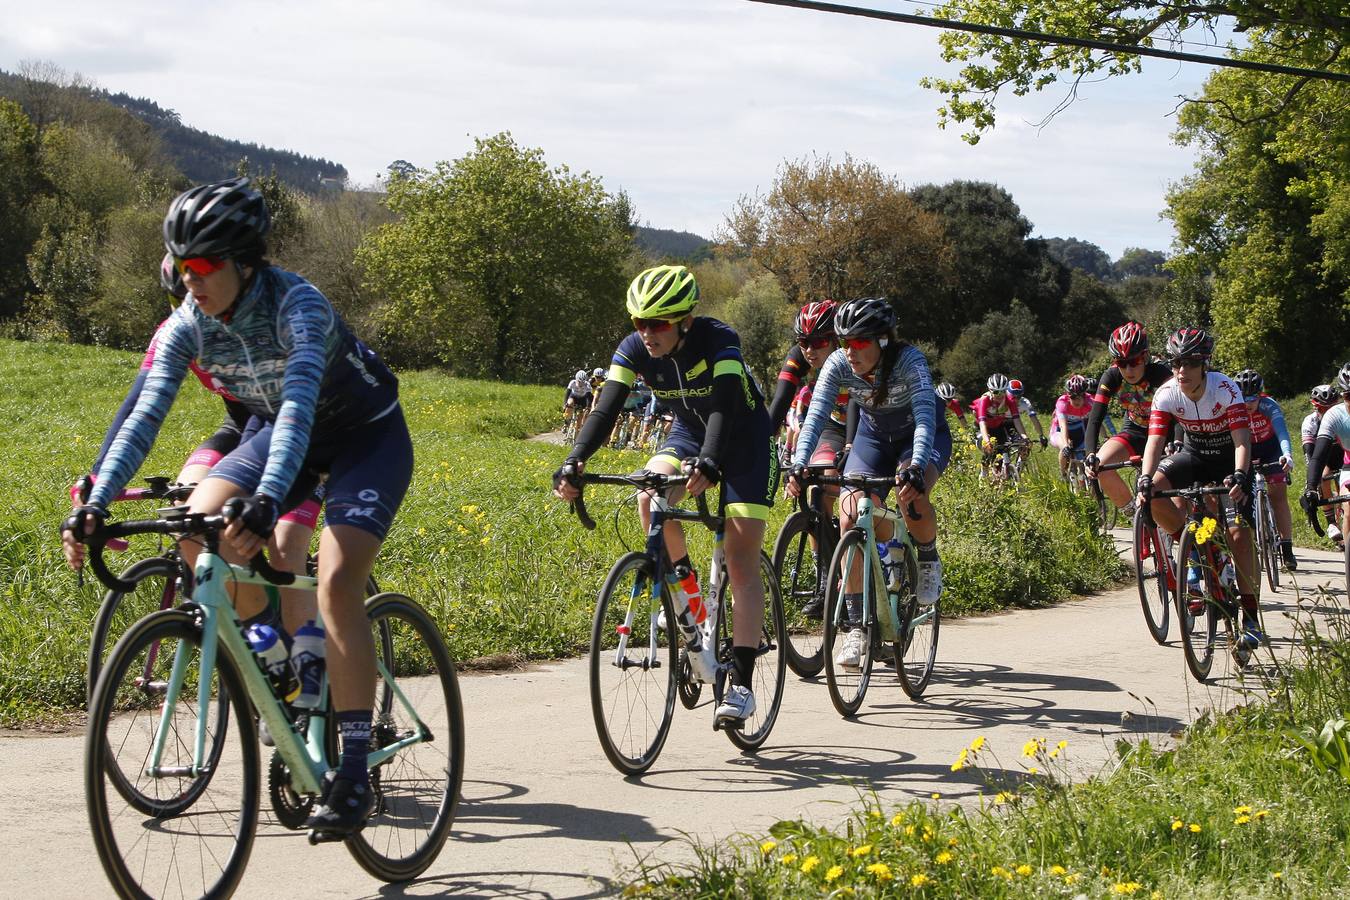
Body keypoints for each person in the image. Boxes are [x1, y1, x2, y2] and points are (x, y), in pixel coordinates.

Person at [62, 177, 411, 837]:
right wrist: (96, 499)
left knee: (336, 580)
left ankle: (356, 766)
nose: (188, 279)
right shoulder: (188, 322)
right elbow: (143, 413)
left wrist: (269, 500)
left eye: (202, 265)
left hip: (363, 438)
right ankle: (277, 657)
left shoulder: (297, 307)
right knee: (195, 520)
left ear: (244, 261)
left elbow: (300, 410)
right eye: (180, 264)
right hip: (280, 435)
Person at [553, 264, 772, 726]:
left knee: (740, 557)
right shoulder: (635, 348)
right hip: (690, 433)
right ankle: (689, 594)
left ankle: (742, 687)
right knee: (649, 492)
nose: (646, 333)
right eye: (639, 322)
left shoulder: (718, 339)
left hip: (743, 440)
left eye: (657, 323)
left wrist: (712, 462)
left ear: (684, 321)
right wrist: (575, 459)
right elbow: (607, 405)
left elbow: (728, 401)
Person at [786, 297, 951, 669]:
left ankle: (926, 558)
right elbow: (813, 419)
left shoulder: (910, 361)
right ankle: (856, 629)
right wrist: (799, 464)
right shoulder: (839, 363)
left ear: (883, 340)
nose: (850, 351)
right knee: (848, 515)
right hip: (874, 437)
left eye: (860, 342)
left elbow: (925, 418)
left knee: (913, 493)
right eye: (844, 342)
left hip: (918, 437)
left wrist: (917, 465)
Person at [1136, 328, 1260, 650]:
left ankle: (1251, 617)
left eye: (1189, 363)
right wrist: (1145, 479)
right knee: (1152, 495)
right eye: (1176, 363)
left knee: (1238, 536)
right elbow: (1155, 441)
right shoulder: (1166, 394)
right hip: (1193, 455)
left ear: (1204, 363)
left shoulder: (1225, 389)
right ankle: (1191, 547)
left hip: (1228, 459)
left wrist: (1240, 476)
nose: (1181, 371)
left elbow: (1242, 441)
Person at [766, 300, 845, 553]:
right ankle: (824, 566)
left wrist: (852, 447)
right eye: (803, 342)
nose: (809, 350)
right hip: (832, 425)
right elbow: (781, 399)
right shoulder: (798, 356)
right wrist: (762, 439)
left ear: (835, 339)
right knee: (816, 484)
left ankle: (871, 544)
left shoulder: (850, 354)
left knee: (851, 489)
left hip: (865, 424)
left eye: (819, 342)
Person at [1086, 321, 1173, 515]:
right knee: (1100, 465)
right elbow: (1095, 418)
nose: (1128, 370)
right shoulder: (1111, 377)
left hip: (1167, 433)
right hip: (1135, 430)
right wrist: (1090, 454)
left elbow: (1181, 413)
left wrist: (1177, 442)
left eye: (1134, 362)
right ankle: (1135, 515)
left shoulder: (1161, 375)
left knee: (1177, 500)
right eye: (1121, 363)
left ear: (1145, 357)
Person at [1233, 369, 1297, 570]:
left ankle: (1287, 549)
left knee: (1278, 496)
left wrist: (1287, 455)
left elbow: (1282, 432)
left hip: (1271, 449)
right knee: (1243, 496)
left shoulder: (1269, 406)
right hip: (1247, 449)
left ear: (1261, 394)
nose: (1249, 403)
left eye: (1253, 398)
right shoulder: (1233, 408)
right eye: (1244, 398)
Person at [1303, 366, 1350, 554]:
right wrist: (1311, 487)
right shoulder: (1335, 415)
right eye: (1348, 397)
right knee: (1349, 508)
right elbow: (1318, 454)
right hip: (1348, 461)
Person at [1301, 383, 1342, 544]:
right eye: (1323, 410)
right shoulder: (1310, 422)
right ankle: (1331, 521)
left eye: (1331, 408)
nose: (1328, 413)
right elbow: (1310, 456)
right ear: (1316, 407)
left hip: (1342, 455)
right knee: (1323, 476)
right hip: (1323, 457)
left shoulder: (1343, 416)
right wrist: (1311, 482)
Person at [973, 373, 1029, 474]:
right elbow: (982, 423)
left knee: (1002, 453)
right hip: (981, 428)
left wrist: (1024, 437)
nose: (1000, 395)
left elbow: (1017, 420)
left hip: (997, 427)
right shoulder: (984, 400)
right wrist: (986, 440)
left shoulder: (1010, 400)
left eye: (1003, 391)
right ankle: (983, 473)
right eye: (996, 392)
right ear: (990, 390)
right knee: (989, 448)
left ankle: (1001, 478)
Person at [1049, 374, 1093, 480]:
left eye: (1080, 397)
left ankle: (1084, 489)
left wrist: (1104, 438)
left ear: (1085, 396)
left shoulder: (1091, 402)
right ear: (1068, 396)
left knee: (1082, 462)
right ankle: (1063, 476)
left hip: (1078, 431)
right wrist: (1065, 445)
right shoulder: (1062, 402)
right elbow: (1063, 426)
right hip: (1059, 431)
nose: (1076, 401)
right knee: (1065, 448)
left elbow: (1096, 423)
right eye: (1073, 397)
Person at [1007, 379, 1047, 447]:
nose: (1016, 399)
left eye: (1019, 396)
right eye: (1013, 396)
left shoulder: (1025, 402)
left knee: (1025, 446)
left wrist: (1041, 435)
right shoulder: (1002, 400)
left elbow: (1034, 419)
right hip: (999, 422)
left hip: (1014, 422)